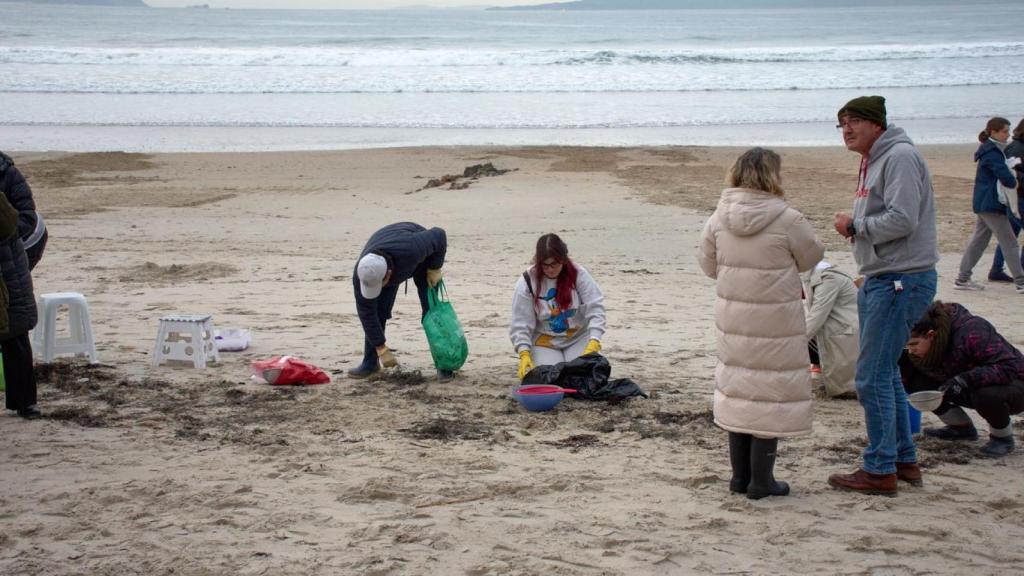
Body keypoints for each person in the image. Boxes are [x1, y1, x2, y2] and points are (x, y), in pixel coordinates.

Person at [696, 147, 824, 500]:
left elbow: (708, 266)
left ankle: (740, 478)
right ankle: (762, 481)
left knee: (739, 390)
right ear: (773, 176)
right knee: (769, 394)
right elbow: (812, 257)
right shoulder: (789, 219)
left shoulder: (717, 219)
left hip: (733, 319)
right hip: (776, 321)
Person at [828, 96, 939, 496]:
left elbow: (903, 218)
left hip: (900, 279)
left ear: (877, 124)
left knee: (871, 377)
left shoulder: (900, 157)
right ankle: (903, 460)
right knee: (886, 372)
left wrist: (854, 225)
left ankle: (879, 469)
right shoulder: (875, 159)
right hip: (883, 277)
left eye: (855, 121)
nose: (847, 129)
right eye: (841, 123)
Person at [901, 301, 1024, 457]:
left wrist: (964, 380)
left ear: (931, 335)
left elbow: (1008, 367)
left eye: (914, 344)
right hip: (957, 383)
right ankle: (960, 428)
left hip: (1013, 385)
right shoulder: (918, 347)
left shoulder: (972, 330)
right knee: (914, 380)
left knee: (986, 394)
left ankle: (1002, 438)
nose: (911, 351)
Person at [349, 222, 449, 380]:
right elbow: (367, 313)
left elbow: (439, 234)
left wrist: (435, 268)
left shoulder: (411, 248)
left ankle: (445, 365)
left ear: (388, 274)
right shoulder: (363, 273)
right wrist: (380, 347)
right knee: (377, 311)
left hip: (421, 256)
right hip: (390, 259)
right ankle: (370, 363)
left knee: (431, 311)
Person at [510, 233, 605, 381]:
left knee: (582, 376)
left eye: (554, 264)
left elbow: (596, 308)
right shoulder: (527, 281)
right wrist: (524, 352)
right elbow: (521, 322)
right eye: (544, 264)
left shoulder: (578, 275)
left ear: (564, 260)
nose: (549, 269)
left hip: (577, 338)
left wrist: (594, 340)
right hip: (544, 341)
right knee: (551, 378)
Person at [953, 117, 1022, 292]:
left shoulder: (992, 150)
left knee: (979, 241)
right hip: (990, 203)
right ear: (993, 132)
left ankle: (962, 278)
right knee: (1010, 242)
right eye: (1005, 131)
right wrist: (1014, 175)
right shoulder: (992, 152)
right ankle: (1021, 282)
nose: (1008, 134)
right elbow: (1005, 177)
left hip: (985, 202)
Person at [0, 191, 39, 419]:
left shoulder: (7, 172)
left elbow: (24, 219)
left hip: (9, 267)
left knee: (15, 334)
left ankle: (25, 402)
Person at [802, 261, 858, 398]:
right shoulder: (819, 275)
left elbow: (817, 316)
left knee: (800, 336)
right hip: (840, 329)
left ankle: (823, 374)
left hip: (845, 332)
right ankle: (819, 371)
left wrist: (793, 343)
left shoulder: (828, 279)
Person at [989, 118, 1024, 282]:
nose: (1007, 134)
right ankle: (1019, 269)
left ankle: (996, 269)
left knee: (1009, 236)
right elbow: (1011, 174)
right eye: (1004, 131)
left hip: (1016, 197)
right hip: (1017, 198)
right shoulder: (1016, 147)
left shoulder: (1015, 146)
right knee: (1009, 236)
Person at [0, 152, 47, 270]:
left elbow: (27, 217)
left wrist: (4, 233)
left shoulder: (9, 174)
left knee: (14, 285)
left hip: (29, 241)